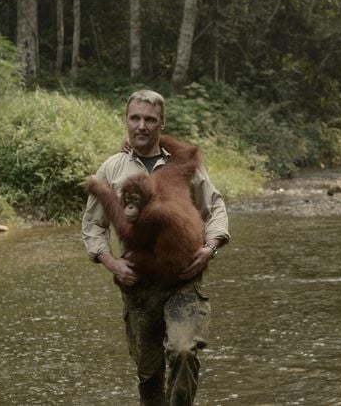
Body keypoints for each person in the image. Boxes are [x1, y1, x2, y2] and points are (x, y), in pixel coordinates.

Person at [81, 89, 230, 405]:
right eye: (135, 118)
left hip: (183, 280)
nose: (141, 126)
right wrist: (111, 263)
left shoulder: (175, 169)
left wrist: (210, 248)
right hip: (140, 283)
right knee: (148, 375)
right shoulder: (113, 167)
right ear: (126, 121)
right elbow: (93, 225)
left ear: (161, 124)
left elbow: (215, 206)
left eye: (150, 120)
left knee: (183, 351)